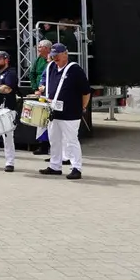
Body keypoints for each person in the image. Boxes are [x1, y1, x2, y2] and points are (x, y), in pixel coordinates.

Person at [36, 44, 89, 180]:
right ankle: (55, 166)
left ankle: (76, 167)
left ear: (65, 54)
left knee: (71, 141)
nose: (55, 58)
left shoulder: (75, 70)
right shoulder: (51, 67)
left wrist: (82, 107)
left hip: (70, 113)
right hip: (54, 112)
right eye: (53, 56)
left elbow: (86, 92)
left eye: (57, 55)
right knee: (54, 140)